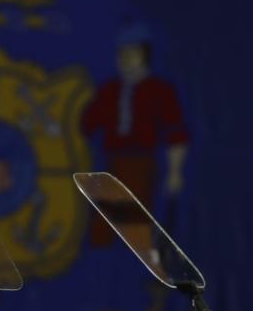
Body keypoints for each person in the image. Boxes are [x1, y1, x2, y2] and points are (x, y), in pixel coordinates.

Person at [81, 22, 190, 245]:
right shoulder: (109, 90)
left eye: (132, 52)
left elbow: (176, 134)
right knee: (101, 226)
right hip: (109, 164)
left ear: (144, 54)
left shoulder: (160, 91)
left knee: (135, 226)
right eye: (122, 53)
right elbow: (87, 125)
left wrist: (175, 171)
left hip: (142, 163)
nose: (126, 58)